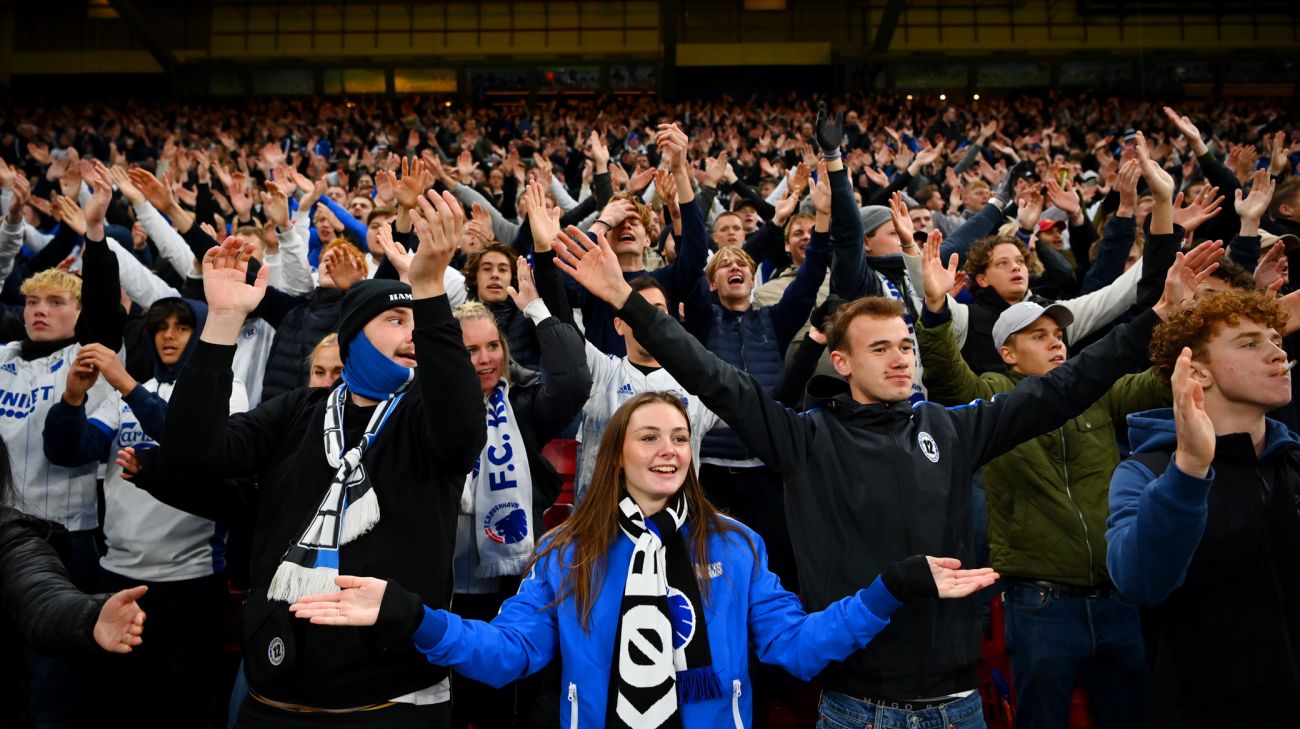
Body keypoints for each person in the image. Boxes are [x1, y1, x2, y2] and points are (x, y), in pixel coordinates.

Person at [548, 147, 1208, 727]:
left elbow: (1068, 385)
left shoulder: (953, 428)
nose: (900, 358)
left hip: (959, 702)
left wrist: (1158, 317)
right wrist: (626, 300)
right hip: (855, 708)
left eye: (904, 345)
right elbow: (717, 381)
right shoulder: (803, 439)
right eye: (880, 348)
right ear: (842, 361)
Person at [288, 392, 998, 729]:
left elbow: (796, 648)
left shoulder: (736, 544)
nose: (668, 449)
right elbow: (508, 653)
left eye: (680, 437)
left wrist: (890, 588)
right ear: (616, 453)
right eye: (650, 435)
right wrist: (410, 614)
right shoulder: (568, 549)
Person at [138, 189, 485, 727]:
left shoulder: (424, 415)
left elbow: (463, 431)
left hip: (393, 700)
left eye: (419, 324)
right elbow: (191, 456)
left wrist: (429, 293)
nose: (413, 332)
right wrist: (223, 323)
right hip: (278, 692)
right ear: (351, 339)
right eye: (396, 321)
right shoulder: (297, 410)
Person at [916, 225, 1199, 726]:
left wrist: (1189, 320)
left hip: (1115, 594)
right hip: (1040, 603)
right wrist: (936, 313)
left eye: (1059, 335)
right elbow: (946, 377)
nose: (1057, 344)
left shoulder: (1100, 392)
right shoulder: (993, 396)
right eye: (1039, 336)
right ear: (1008, 353)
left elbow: (1162, 382)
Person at [43, 296, 246, 725]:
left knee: (184, 706)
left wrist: (127, 386)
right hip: (119, 572)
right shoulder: (128, 394)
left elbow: (199, 449)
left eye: (181, 326)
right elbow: (70, 451)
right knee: (119, 703)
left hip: (190, 579)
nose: (168, 336)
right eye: (160, 327)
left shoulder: (227, 390)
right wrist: (73, 399)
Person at [1106, 287, 1300, 727]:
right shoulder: (1147, 473)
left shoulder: (1292, 460)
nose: (1276, 354)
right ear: (1198, 372)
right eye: (1250, 343)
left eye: (1277, 341)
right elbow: (1139, 581)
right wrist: (1190, 469)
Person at [448, 260, 590, 728]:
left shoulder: (525, 401)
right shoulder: (422, 408)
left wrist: (535, 307)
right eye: (470, 350)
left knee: (499, 705)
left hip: (509, 589)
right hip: (441, 584)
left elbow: (574, 382)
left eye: (493, 346)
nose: (485, 359)